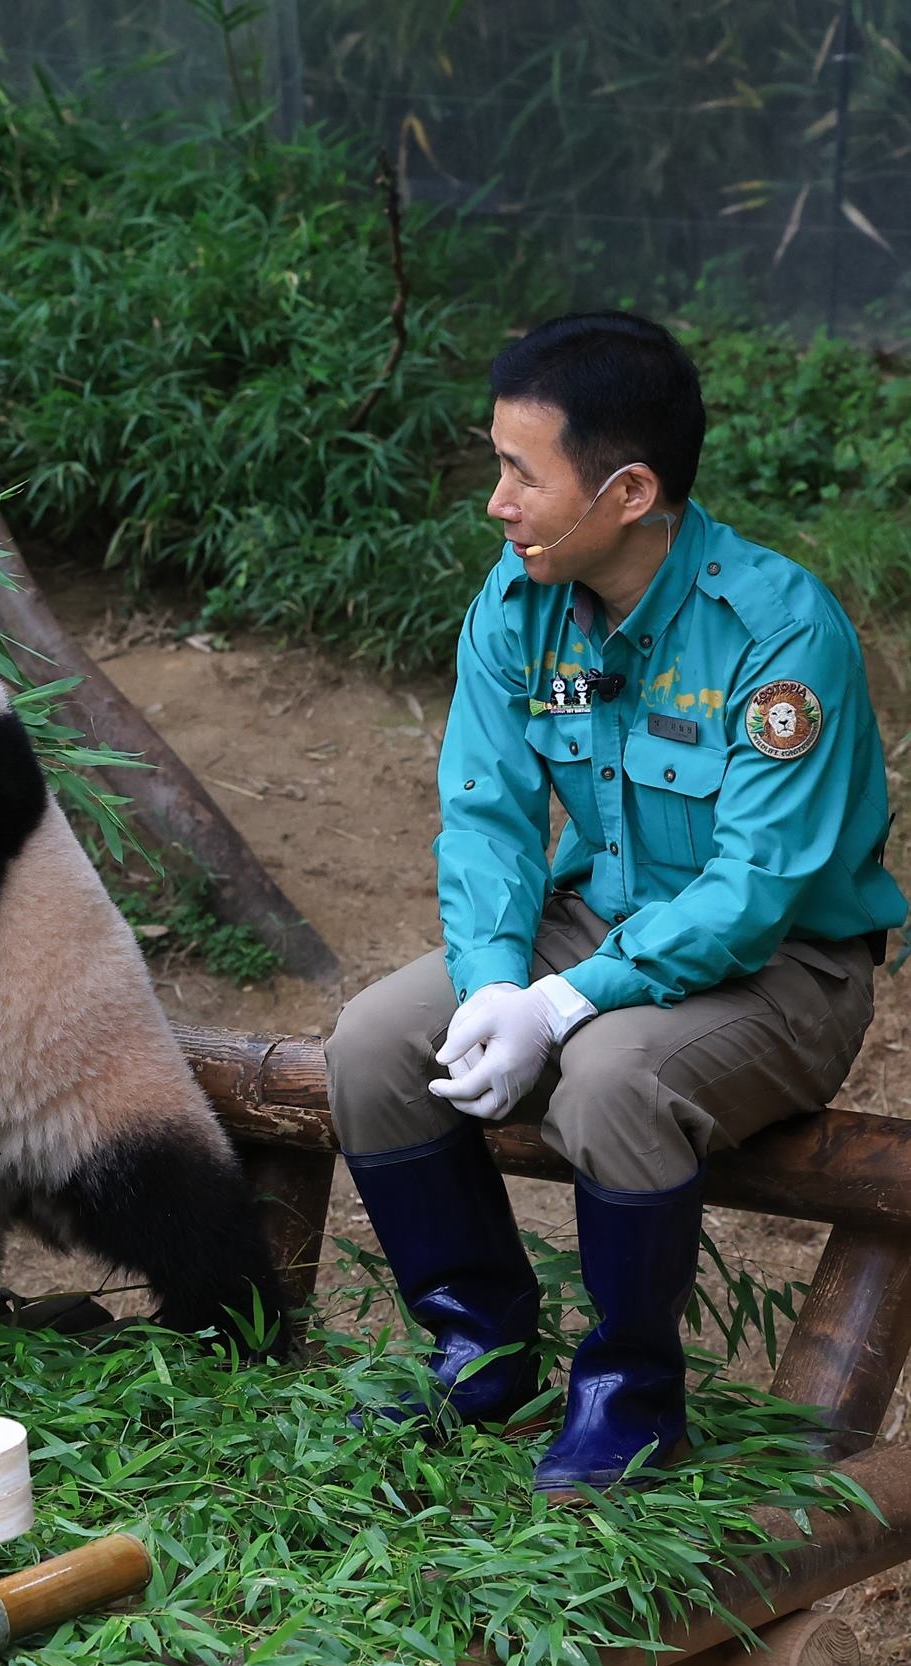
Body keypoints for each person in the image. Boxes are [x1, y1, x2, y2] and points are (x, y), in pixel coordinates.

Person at [325, 311, 905, 1494]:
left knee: (612, 1079)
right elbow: (485, 811)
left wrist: (566, 1000)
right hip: (590, 925)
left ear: (627, 489)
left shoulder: (778, 636)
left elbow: (750, 895)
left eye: (518, 472)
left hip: (783, 968)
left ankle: (628, 1399)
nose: (495, 500)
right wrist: (495, 975)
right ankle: (476, 1348)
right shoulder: (522, 601)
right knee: (371, 1045)